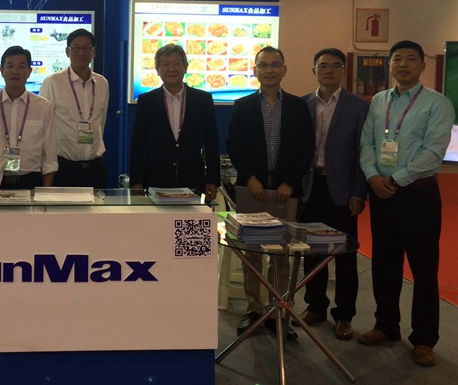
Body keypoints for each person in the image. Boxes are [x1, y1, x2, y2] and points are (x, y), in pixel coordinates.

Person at [357, 40, 455, 367]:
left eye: (411, 59)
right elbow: (367, 143)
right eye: (397, 59)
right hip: (381, 194)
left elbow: (433, 152)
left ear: (422, 66)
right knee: (384, 264)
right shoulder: (379, 101)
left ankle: (424, 339)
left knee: (423, 267)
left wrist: (396, 180)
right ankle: (385, 326)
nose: (403, 65)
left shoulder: (437, 103)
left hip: (417, 195)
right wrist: (373, 176)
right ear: (389, 65)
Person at [227, 46, 314, 339]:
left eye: (275, 65)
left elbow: (306, 148)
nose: (269, 70)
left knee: (282, 253)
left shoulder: (298, 106)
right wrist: (250, 178)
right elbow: (234, 144)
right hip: (252, 188)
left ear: (284, 70)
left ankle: (279, 310)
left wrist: (290, 182)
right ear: (255, 70)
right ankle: (254, 309)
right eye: (263, 65)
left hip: (285, 190)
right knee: (251, 252)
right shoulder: (242, 106)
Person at [298, 48, 369, 340]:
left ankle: (344, 315)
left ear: (343, 71)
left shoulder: (359, 107)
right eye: (323, 65)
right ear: (314, 70)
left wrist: (359, 193)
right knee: (312, 251)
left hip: (343, 191)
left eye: (335, 66)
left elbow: (364, 153)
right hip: (310, 188)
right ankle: (316, 306)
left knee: (345, 255)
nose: (328, 70)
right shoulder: (302, 104)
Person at [129, 43, 220, 200]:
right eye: (165, 64)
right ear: (157, 70)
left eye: (177, 63)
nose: (171, 69)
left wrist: (213, 179)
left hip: (192, 179)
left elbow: (212, 142)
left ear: (185, 67)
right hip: (156, 179)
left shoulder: (203, 100)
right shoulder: (147, 101)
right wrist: (136, 181)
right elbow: (138, 144)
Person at [40, 28, 109, 188]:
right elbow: (44, 126)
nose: (81, 53)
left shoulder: (102, 83)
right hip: (64, 168)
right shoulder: (53, 82)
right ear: (67, 52)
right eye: (76, 48)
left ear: (93, 52)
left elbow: (101, 121)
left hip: (95, 167)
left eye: (86, 48)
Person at [0, 46, 58, 189]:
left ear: (29, 72)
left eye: (21, 66)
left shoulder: (43, 106)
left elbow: (49, 157)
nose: (15, 71)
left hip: (30, 181)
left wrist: (45, 193)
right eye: (10, 66)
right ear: (1, 70)